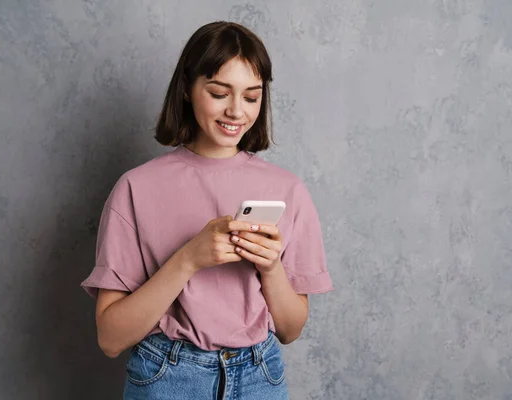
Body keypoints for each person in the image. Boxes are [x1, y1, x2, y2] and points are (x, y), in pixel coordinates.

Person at [80, 21, 334, 400]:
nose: (236, 111)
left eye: (251, 97)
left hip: (259, 377)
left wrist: (270, 267)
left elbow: (290, 330)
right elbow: (111, 339)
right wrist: (188, 259)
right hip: (168, 378)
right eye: (219, 92)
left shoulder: (288, 190)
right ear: (186, 88)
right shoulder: (136, 188)